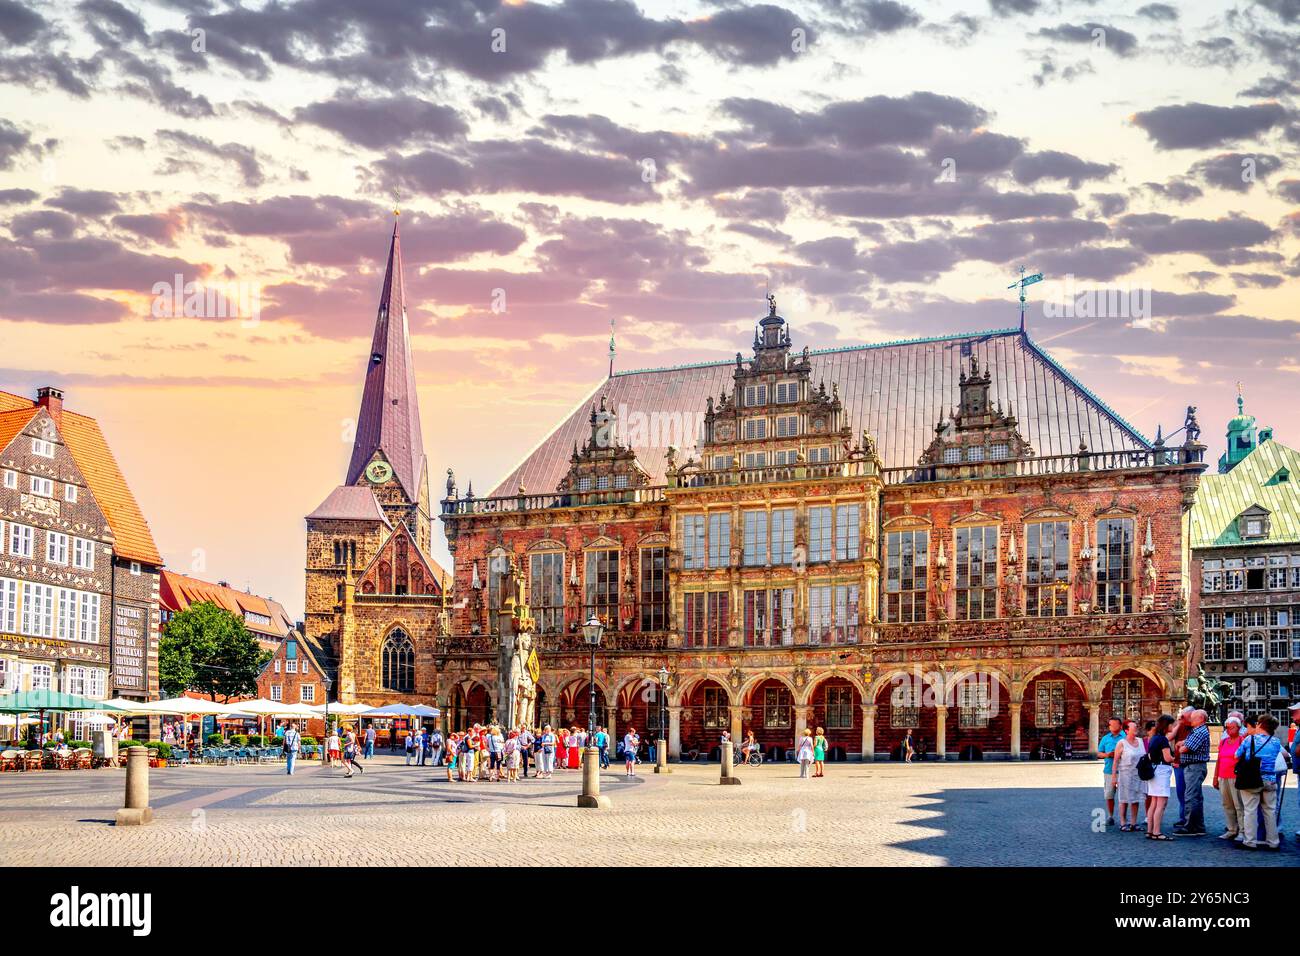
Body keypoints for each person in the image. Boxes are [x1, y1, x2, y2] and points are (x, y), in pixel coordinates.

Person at [1234, 713, 1283, 851]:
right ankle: (1273, 842)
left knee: (1250, 810)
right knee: (1270, 811)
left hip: (1252, 779)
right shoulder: (1276, 741)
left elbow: (1236, 755)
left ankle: (1250, 841)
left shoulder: (1250, 739)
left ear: (1260, 724)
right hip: (1270, 780)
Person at [1173, 708, 1210, 836]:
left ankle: (1190, 826)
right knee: (1196, 797)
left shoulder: (1199, 732)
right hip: (1193, 767)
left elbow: (1185, 748)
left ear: (1200, 719)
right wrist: (1183, 744)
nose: (1190, 720)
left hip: (1194, 767)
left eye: (1192, 718)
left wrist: (1182, 746)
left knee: (1191, 797)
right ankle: (1198, 826)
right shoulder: (1197, 731)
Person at [1212, 716, 1246, 841]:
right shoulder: (1223, 742)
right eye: (1227, 728)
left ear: (1238, 728)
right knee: (1227, 804)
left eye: (1232, 728)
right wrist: (1215, 777)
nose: (1229, 730)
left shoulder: (1242, 741)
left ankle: (1242, 831)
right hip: (1223, 776)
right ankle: (1231, 829)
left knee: (1239, 805)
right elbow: (1219, 760)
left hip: (1236, 777)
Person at [1111, 720, 1146, 832]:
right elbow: (1115, 761)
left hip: (1138, 775)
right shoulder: (1121, 743)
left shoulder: (1141, 741)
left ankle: (1133, 823)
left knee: (1135, 799)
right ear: (1126, 730)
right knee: (1124, 799)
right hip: (1125, 775)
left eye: (1136, 727)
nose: (1136, 729)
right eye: (1133, 727)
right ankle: (1123, 822)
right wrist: (1114, 777)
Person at [1144, 714, 1175, 841]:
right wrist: (1176, 758)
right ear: (1166, 725)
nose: (1173, 726)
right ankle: (1157, 831)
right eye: (1171, 724)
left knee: (1154, 803)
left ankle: (1150, 830)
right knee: (1161, 803)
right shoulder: (1162, 739)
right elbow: (1167, 758)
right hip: (1162, 771)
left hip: (1154, 770)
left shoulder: (1154, 738)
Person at [1169, 706, 1193, 830]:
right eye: (1182, 716)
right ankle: (1183, 817)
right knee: (1180, 793)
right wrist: (1178, 723)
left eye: (1185, 717)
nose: (1184, 719)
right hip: (1179, 764)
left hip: (1190, 764)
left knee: (1190, 793)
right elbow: (1169, 737)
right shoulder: (1181, 725)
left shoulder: (1196, 727)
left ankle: (1189, 819)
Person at [1098, 717, 1125, 826]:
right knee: (1109, 794)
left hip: (1123, 770)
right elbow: (1099, 753)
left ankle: (1123, 818)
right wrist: (1107, 755)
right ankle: (1111, 815)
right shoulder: (1105, 738)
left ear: (1120, 726)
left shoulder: (1125, 737)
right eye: (1110, 725)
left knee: (1124, 796)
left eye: (1114, 725)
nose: (1112, 727)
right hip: (1109, 770)